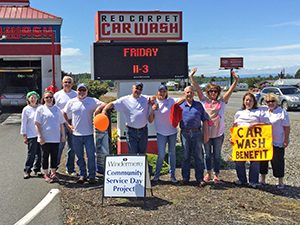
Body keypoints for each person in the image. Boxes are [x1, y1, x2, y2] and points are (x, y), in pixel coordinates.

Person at [189, 68, 239, 183]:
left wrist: (236, 81)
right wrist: (191, 77)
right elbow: (197, 88)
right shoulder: (204, 100)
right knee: (207, 155)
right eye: (211, 91)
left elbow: (230, 91)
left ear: (218, 92)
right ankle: (208, 173)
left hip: (218, 134)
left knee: (217, 155)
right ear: (208, 92)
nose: (213, 93)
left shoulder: (222, 101)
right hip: (206, 133)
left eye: (215, 91)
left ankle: (216, 174)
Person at [63, 83, 105, 184]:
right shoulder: (71, 102)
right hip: (76, 134)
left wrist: (98, 109)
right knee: (79, 156)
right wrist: (68, 125)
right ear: (77, 91)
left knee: (91, 156)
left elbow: (104, 104)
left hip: (89, 134)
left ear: (87, 91)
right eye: (79, 90)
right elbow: (64, 112)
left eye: (83, 90)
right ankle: (83, 174)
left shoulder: (92, 100)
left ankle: (92, 175)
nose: (81, 92)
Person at [232, 92, 269, 188]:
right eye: (246, 100)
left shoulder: (259, 112)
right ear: (244, 101)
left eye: (250, 100)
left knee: (255, 161)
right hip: (241, 141)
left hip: (255, 141)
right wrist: (232, 137)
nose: (248, 102)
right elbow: (235, 126)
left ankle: (253, 181)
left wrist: (255, 125)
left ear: (254, 102)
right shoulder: (239, 113)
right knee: (239, 160)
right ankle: (242, 180)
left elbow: (267, 125)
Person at [102, 82, 150, 154]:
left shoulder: (146, 98)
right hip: (131, 132)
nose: (138, 90)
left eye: (140, 89)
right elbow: (112, 104)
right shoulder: (125, 99)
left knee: (142, 154)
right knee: (132, 153)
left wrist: (154, 100)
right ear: (132, 88)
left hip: (143, 131)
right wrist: (104, 110)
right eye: (136, 88)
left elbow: (156, 98)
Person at [179, 86, 209, 186]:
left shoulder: (199, 105)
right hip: (185, 133)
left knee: (198, 156)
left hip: (197, 133)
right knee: (185, 156)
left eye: (191, 92)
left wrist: (205, 135)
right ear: (184, 94)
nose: (189, 94)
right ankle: (185, 178)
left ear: (194, 94)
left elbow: (205, 120)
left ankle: (199, 178)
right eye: (187, 92)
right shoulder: (180, 106)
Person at [259, 93, 290, 189]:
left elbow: (287, 127)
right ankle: (263, 179)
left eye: (272, 101)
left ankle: (280, 181)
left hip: (278, 141)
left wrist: (285, 140)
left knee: (278, 161)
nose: (270, 103)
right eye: (268, 101)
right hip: (265, 141)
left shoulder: (282, 112)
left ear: (276, 101)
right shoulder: (264, 112)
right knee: (263, 160)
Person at [148, 84, 178, 183]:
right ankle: (157, 176)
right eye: (160, 91)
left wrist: (188, 94)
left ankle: (172, 175)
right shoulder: (154, 102)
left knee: (172, 154)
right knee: (161, 154)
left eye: (164, 91)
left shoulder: (171, 101)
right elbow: (150, 120)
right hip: (161, 133)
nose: (162, 93)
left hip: (172, 132)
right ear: (157, 92)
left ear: (166, 92)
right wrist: (152, 110)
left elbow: (181, 100)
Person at [35, 91, 65, 183]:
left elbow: (61, 124)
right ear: (43, 99)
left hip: (55, 138)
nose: (48, 99)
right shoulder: (40, 109)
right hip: (45, 138)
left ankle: (53, 173)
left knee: (54, 156)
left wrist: (63, 135)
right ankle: (46, 174)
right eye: (46, 97)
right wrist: (40, 136)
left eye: (50, 97)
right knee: (45, 156)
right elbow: (37, 124)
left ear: (53, 98)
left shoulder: (57, 109)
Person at [54, 76, 77, 175]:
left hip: (73, 123)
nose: (67, 84)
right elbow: (54, 110)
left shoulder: (76, 94)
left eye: (69, 82)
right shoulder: (57, 95)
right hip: (61, 124)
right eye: (65, 82)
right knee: (59, 146)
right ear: (62, 83)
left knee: (72, 147)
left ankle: (70, 169)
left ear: (72, 84)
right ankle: (54, 168)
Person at [21, 91, 42, 179]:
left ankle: (37, 169)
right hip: (31, 135)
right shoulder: (26, 109)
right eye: (31, 97)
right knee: (31, 153)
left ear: (38, 98)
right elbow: (24, 123)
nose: (33, 99)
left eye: (35, 97)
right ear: (28, 99)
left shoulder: (41, 108)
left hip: (41, 134)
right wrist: (24, 135)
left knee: (40, 153)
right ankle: (27, 170)